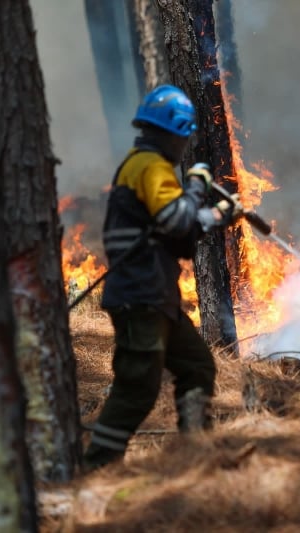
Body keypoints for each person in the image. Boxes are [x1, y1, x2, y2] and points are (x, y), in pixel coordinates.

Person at [83, 84, 242, 470]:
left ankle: (194, 454)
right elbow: (178, 221)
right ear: (173, 133)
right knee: (138, 388)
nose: (185, 147)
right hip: (141, 297)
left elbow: (180, 234)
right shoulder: (150, 168)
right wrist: (199, 188)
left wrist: (216, 214)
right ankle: (98, 467)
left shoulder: (146, 166)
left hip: (155, 295)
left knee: (197, 367)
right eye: (184, 138)